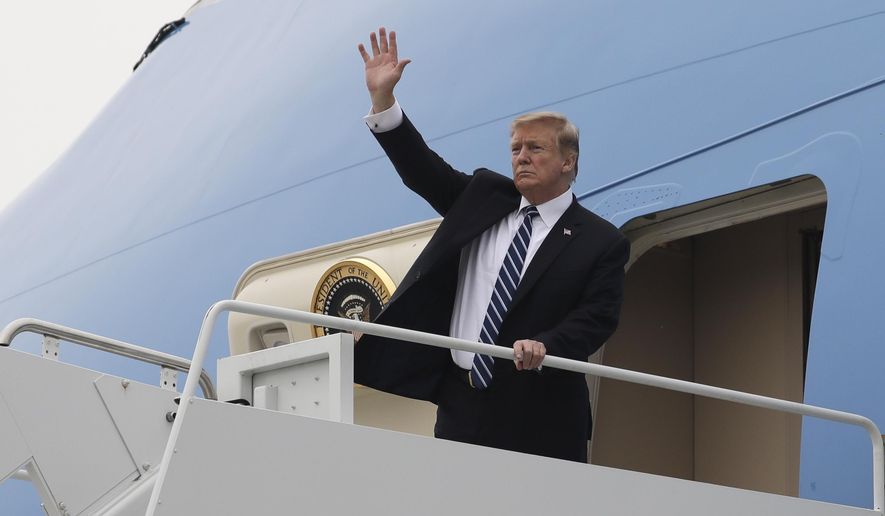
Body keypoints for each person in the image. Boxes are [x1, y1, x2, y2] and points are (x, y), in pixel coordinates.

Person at [353, 27, 629, 462]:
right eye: (516, 148)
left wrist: (547, 344)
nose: (521, 156)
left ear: (568, 161)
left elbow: (597, 318)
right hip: (460, 402)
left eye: (535, 148)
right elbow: (421, 170)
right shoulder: (483, 196)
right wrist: (384, 103)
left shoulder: (600, 240)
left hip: (543, 414)